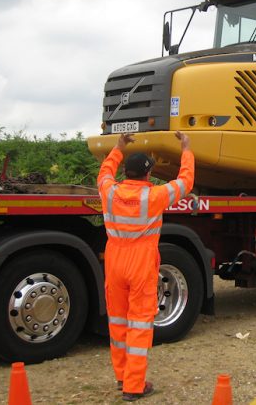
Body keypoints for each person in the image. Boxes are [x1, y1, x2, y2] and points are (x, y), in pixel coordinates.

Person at [97, 131, 194, 401]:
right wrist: (186, 149)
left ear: (125, 173)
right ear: (148, 175)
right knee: (139, 324)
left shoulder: (109, 191)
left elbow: (104, 172)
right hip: (140, 263)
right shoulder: (155, 197)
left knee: (117, 321)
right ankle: (134, 385)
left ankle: (122, 375)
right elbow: (185, 182)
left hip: (115, 259)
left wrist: (118, 148)